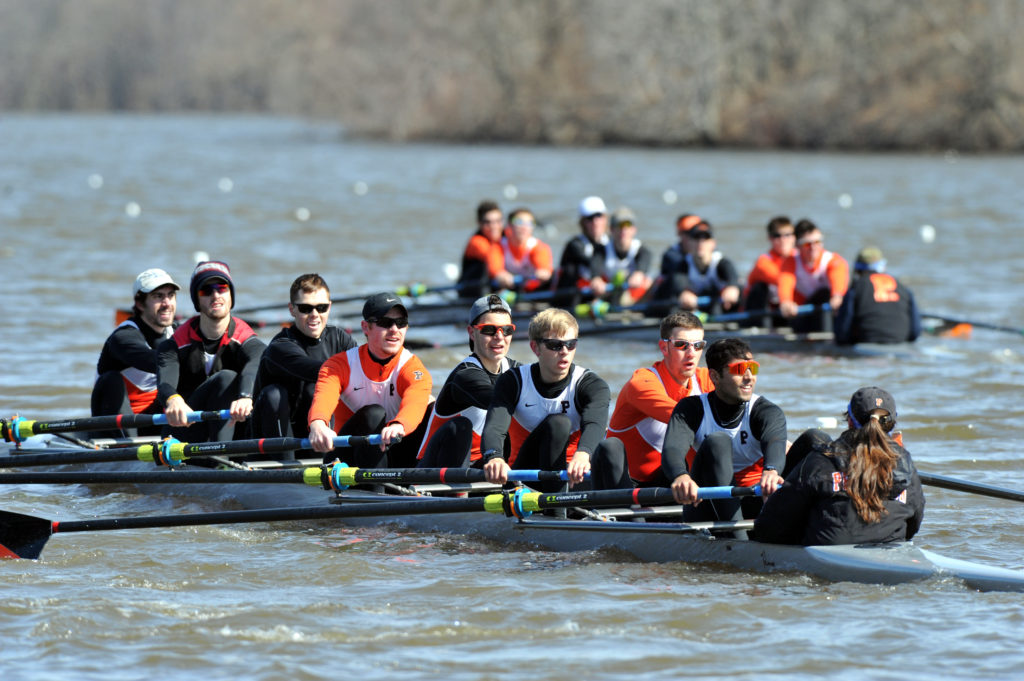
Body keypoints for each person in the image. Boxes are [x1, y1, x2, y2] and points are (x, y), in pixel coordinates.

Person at [754, 387, 925, 545]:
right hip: (890, 552)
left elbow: (769, 529)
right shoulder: (905, 463)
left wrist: (769, 504)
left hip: (826, 557)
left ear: (850, 421)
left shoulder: (821, 461)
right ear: (893, 423)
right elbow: (913, 526)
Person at [660, 338, 788, 527]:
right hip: (705, 504)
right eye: (739, 370)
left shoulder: (766, 411)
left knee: (815, 441)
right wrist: (680, 477)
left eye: (752, 368)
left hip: (754, 499)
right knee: (718, 441)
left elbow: (775, 442)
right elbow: (672, 449)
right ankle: (739, 542)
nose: (749, 377)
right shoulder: (691, 408)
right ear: (715, 377)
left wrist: (771, 470)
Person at [480, 308, 610, 492]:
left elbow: (595, 424)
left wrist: (583, 454)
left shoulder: (592, 385)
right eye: (555, 345)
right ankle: (556, 513)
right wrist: (494, 457)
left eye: (571, 344)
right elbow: (495, 426)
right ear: (535, 348)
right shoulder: (513, 381)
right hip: (524, 477)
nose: (564, 351)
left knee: (612, 447)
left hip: (574, 473)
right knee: (558, 423)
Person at [307, 292, 433, 469]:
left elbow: (415, 403)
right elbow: (323, 398)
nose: (394, 329)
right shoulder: (339, 365)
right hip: (347, 460)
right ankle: (377, 491)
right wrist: (318, 425)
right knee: (374, 413)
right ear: (366, 327)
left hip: (395, 454)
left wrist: (399, 424)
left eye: (401, 323)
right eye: (385, 323)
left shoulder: (413, 368)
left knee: (433, 409)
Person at [590, 312, 715, 490]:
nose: (691, 353)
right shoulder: (642, 383)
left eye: (698, 345)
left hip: (672, 480)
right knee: (610, 447)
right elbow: (683, 417)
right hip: (627, 484)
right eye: (681, 345)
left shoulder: (706, 378)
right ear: (664, 348)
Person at [156, 261, 265, 442]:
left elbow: (256, 361)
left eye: (221, 288)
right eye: (206, 290)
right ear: (197, 300)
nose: (215, 295)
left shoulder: (246, 339)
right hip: (185, 430)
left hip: (233, 430)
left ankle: (226, 459)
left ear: (231, 296)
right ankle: (220, 462)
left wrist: (246, 397)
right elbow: (165, 384)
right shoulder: (173, 345)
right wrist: (173, 399)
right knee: (226, 378)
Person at [251, 274, 358, 452]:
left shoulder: (340, 338)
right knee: (276, 393)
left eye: (321, 308)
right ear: (292, 309)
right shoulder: (281, 346)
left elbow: (363, 371)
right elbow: (319, 371)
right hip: (273, 440)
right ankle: (284, 465)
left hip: (319, 434)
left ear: (329, 308)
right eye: (306, 308)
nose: (314, 315)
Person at [416, 294, 522, 468]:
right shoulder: (465, 375)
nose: (499, 336)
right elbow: (497, 400)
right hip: (433, 470)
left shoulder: (515, 370)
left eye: (507, 329)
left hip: (483, 465)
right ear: (471, 332)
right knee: (462, 426)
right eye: (489, 330)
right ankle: (459, 493)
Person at [91, 268, 180, 438]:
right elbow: (156, 362)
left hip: (154, 421)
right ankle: (126, 447)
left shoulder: (176, 332)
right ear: (140, 304)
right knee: (111, 380)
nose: (167, 303)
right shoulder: (123, 338)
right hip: (115, 424)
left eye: (171, 295)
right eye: (158, 296)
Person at [834, 246, 921, 345]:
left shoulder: (855, 288)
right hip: (900, 345)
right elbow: (915, 332)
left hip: (866, 347)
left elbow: (842, 332)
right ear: (883, 267)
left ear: (858, 270)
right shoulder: (903, 288)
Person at [777, 219, 849, 332]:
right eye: (807, 244)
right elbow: (785, 284)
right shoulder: (790, 263)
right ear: (797, 246)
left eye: (817, 242)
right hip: (802, 313)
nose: (813, 247)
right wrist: (786, 302)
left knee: (825, 294)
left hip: (829, 311)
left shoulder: (833, 261)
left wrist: (837, 296)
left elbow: (838, 285)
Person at [654, 221, 741, 315]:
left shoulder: (722, 263)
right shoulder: (683, 264)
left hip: (716, 307)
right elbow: (678, 279)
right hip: (690, 306)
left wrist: (732, 287)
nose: (700, 243)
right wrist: (683, 292)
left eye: (705, 239)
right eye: (696, 238)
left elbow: (732, 276)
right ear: (689, 243)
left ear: (713, 243)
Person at [555, 196, 611, 302]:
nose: (595, 222)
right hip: (573, 296)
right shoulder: (575, 244)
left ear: (605, 219)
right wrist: (596, 277)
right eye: (590, 218)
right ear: (583, 222)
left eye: (599, 216)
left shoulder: (611, 242)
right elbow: (593, 263)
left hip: (601, 291)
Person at [457, 200, 515, 299]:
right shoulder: (476, 242)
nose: (494, 226)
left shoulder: (508, 235)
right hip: (471, 290)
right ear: (479, 223)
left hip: (495, 285)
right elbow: (491, 255)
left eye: (498, 221)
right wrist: (499, 274)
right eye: (487, 222)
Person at [743, 216, 796, 316]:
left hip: (788, 308)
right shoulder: (763, 262)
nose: (783, 240)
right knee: (760, 287)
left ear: (794, 237)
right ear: (770, 238)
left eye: (787, 235)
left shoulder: (799, 258)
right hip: (760, 311)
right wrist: (786, 300)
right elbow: (784, 280)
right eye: (777, 236)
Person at [600, 206, 654, 305]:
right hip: (607, 295)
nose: (623, 230)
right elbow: (594, 272)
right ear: (611, 229)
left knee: (649, 282)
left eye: (627, 225)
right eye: (619, 225)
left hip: (633, 297)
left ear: (634, 229)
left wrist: (639, 274)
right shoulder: (601, 251)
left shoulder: (643, 251)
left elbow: (642, 267)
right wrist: (596, 281)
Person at [500, 207, 554, 294]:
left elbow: (544, 270)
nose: (524, 227)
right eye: (519, 222)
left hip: (531, 289)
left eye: (529, 223)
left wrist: (543, 273)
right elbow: (495, 269)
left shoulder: (539, 247)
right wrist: (500, 275)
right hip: (505, 287)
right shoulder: (499, 245)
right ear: (509, 225)